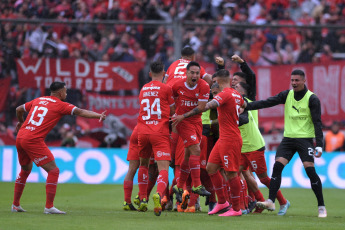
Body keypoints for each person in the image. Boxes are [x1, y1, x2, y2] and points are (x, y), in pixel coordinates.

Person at [12, 82, 106, 214]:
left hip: (21, 137)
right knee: (53, 171)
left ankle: (15, 205)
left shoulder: (39, 100)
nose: (66, 94)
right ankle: (49, 207)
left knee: (25, 170)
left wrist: (21, 121)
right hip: (33, 139)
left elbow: (18, 109)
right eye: (66, 91)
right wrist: (98, 115)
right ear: (61, 92)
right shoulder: (60, 105)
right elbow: (80, 111)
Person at [245, 69, 326, 218]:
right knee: (277, 166)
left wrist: (319, 144)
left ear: (304, 81)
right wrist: (247, 106)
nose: (294, 83)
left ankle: (321, 206)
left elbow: (317, 123)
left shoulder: (312, 99)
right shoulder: (287, 95)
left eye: (297, 80)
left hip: (305, 139)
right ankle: (270, 200)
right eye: (292, 80)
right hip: (288, 139)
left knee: (310, 171)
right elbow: (267, 102)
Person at [174, 69, 246, 217]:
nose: (212, 85)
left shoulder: (224, 94)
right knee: (211, 168)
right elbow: (243, 105)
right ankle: (222, 202)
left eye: (213, 82)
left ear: (218, 82)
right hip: (224, 138)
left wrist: (185, 114)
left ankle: (237, 209)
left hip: (230, 139)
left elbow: (206, 106)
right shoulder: (236, 93)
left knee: (231, 173)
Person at [235, 82, 290, 215]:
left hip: (254, 146)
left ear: (244, 90)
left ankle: (283, 202)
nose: (233, 87)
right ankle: (253, 203)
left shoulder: (245, 102)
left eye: (236, 86)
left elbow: (244, 119)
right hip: (242, 147)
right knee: (234, 172)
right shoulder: (236, 101)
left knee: (263, 178)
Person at [136, 61, 175, 216]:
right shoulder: (167, 88)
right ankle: (158, 194)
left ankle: (142, 198)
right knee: (163, 168)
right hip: (159, 131)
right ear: (164, 73)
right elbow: (172, 110)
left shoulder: (143, 88)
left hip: (143, 131)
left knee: (143, 165)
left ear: (150, 73)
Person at [171, 61, 211, 209]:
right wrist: (176, 114)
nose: (195, 75)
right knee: (196, 150)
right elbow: (171, 99)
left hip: (196, 122)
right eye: (192, 72)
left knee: (188, 155)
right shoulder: (177, 85)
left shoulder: (204, 86)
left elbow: (201, 108)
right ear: (186, 73)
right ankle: (196, 185)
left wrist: (183, 115)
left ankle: (179, 186)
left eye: (197, 73)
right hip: (183, 123)